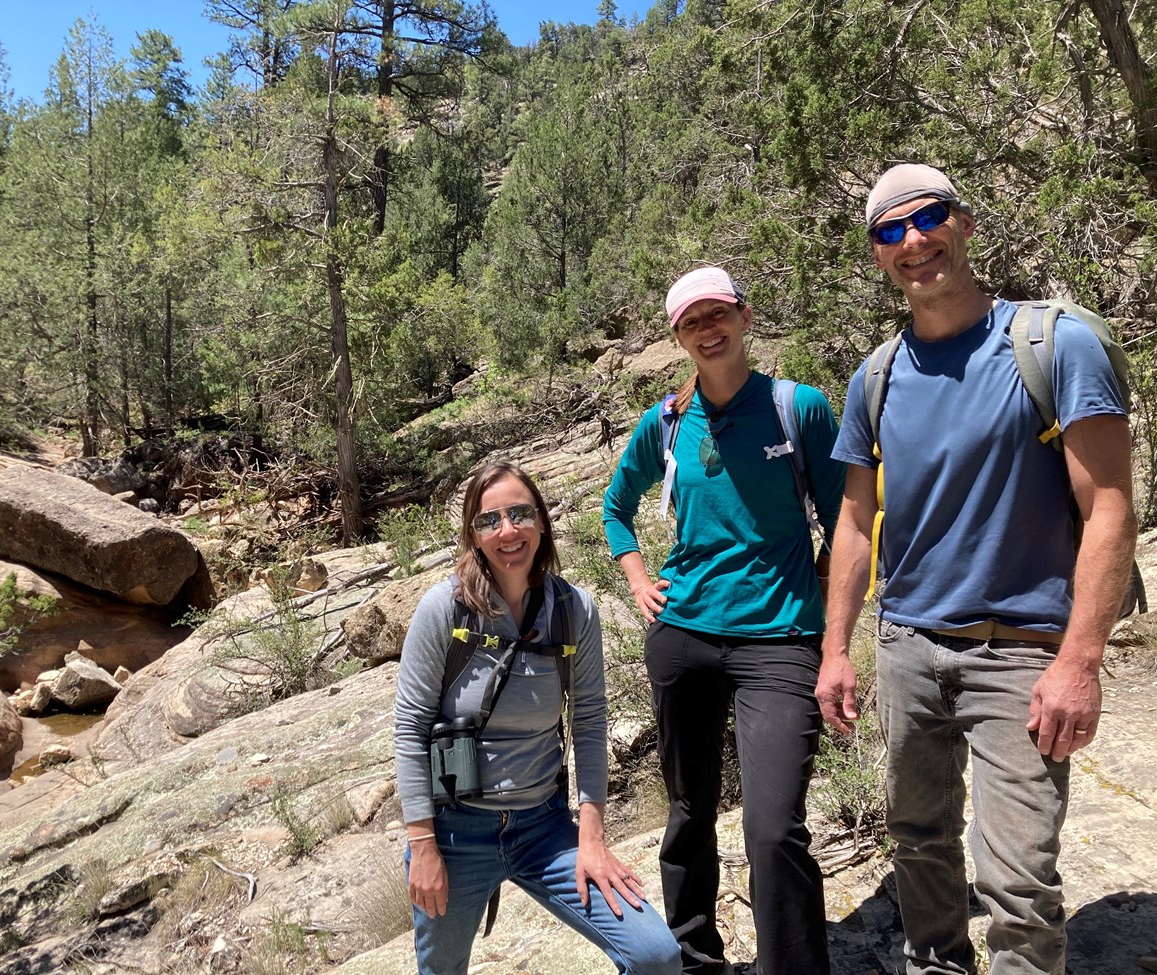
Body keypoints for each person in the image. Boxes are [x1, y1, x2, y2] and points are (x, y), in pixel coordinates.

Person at [816, 163, 1138, 975]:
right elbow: (855, 521)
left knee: (1017, 882)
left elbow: (1109, 507)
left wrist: (1081, 660)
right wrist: (834, 651)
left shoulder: (1052, 343)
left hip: (1023, 652)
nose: (913, 242)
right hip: (907, 649)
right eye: (890, 231)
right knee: (918, 846)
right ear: (878, 254)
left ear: (964, 222)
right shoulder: (876, 376)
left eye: (927, 219)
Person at [603, 266, 845, 975]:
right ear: (677, 337)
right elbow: (616, 507)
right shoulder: (668, 421)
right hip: (686, 635)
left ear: (744, 315)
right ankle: (693, 957)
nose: (707, 331)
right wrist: (640, 578)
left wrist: (824, 602)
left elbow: (848, 521)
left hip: (780, 640)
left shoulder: (798, 408)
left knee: (773, 827)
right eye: (690, 323)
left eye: (717, 315)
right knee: (688, 809)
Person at [394, 460, 682, 975]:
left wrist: (592, 838)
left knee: (656, 957)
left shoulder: (573, 611)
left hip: (543, 827)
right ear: (473, 533)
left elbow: (590, 721)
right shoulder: (444, 609)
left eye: (520, 514)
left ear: (542, 521)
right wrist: (423, 844)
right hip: (455, 832)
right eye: (490, 520)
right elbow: (411, 726)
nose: (507, 531)